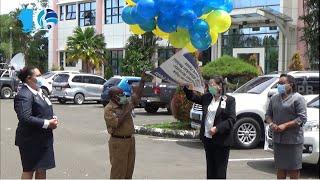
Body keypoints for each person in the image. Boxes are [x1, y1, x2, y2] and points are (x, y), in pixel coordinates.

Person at [182, 76, 236, 179]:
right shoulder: (207, 97)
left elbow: (231, 119)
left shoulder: (229, 100)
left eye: (212, 85)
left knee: (220, 172)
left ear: (219, 86)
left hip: (222, 140)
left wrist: (217, 128)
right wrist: (186, 88)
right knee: (210, 170)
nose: (210, 87)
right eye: (209, 85)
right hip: (208, 139)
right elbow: (192, 97)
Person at [14, 67, 58, 179]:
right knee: (29, 170)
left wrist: (52, 117)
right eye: (38, 75)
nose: (41, 77)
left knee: (42, 169)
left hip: (43, 139)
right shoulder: (24, 94)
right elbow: (25, 117)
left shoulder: (40, 91)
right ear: (29, 78)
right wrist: (47, 123)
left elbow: (43, 108)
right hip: (30, 140)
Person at [104, 73, 146, 179]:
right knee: (118, 171)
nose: (123, 96)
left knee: (128, 170)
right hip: (118, 142)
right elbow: (117, 123)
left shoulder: (124, 103)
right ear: (113, 97)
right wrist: (128, 109)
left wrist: (142, 81)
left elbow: (137, 97)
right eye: (120, 94)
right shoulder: (109, 109)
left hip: (130, 141)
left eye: (123, 93)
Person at [265, 74, 307, 179]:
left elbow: (302, 118)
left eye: (282, 83)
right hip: (278, 140)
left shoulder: (298, 98)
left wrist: (285, 125)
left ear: (291, 85)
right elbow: (268, 115)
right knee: (280, 167)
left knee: (293, 168)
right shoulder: (274, 98)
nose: (279, 85)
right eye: (278, 83)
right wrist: (271, 124)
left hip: (293, 140)